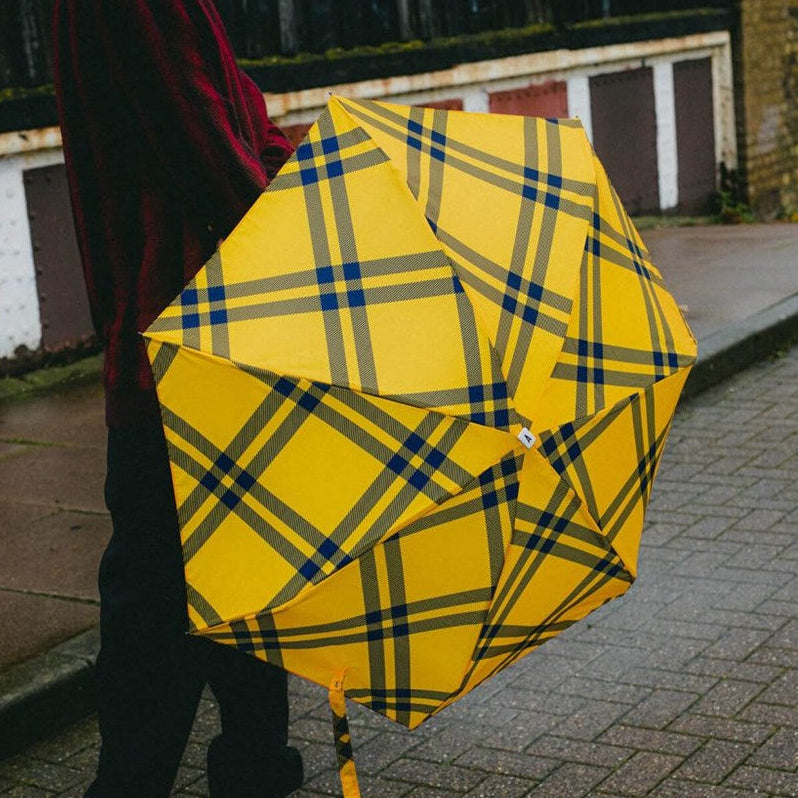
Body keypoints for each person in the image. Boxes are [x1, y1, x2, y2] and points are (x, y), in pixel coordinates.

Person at [52, 2, 301, 796]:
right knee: (158, 619)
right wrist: (321, 234)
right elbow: (210, 159)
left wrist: (296, 163)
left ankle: (257, 770)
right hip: (185, 354)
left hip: (199, 347)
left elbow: (236, 115)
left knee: (244, 591)